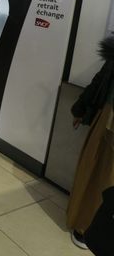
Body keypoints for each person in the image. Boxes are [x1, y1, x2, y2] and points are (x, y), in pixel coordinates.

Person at [67, 35, 114, 250]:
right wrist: (81, 108)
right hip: (108, 122)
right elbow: (101, 81)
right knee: (98, 173)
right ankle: (85, 225)